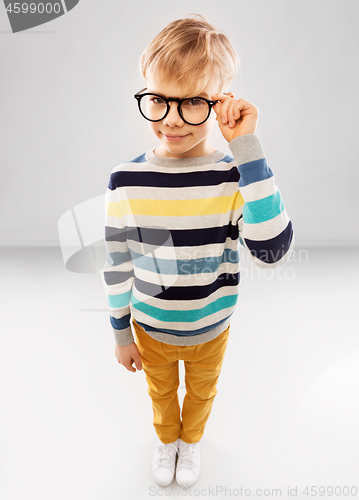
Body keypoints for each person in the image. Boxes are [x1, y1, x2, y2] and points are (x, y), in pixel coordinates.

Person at [101, 14, 294, 488]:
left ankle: (192, 442)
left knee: (201, 393)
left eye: (191, 102)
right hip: (150, 327)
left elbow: (272, 248)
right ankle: (167, 440)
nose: (171, 118)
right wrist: (121, 330)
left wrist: (247, 148)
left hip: (212, 325)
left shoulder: (236, 176)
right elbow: (117, 261)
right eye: (160, 100)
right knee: (161, 393)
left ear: (221, 101)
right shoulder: (125, 179)